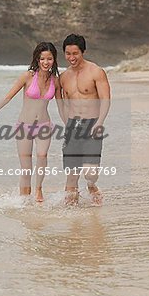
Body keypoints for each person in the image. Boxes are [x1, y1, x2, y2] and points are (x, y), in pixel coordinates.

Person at [0, 42, 63, 202]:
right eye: (42, 58)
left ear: (54, 60)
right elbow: (7, 98)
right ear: (37, 59)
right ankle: (24, 201)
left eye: (49, 58)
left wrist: (71, 123)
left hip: (44, 126)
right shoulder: (27, 76)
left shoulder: (55, 81)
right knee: (26, 169)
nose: (45, 62)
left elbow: (62, 106)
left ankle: (38, 190)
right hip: (24, 127)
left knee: (42, 155)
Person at [60, 34, 111, 205]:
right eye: (68, 54)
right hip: (73, 126)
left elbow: (105, 99)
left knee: (90, 172)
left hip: (93, 124)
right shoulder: (64, 77)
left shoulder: (96, 71)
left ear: (83, 52)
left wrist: (100, 122)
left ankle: (91, 185)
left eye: (75, 53)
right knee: (71, 176)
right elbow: (64, 104)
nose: (71, 58)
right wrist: (66, 123)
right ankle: (73, 220)